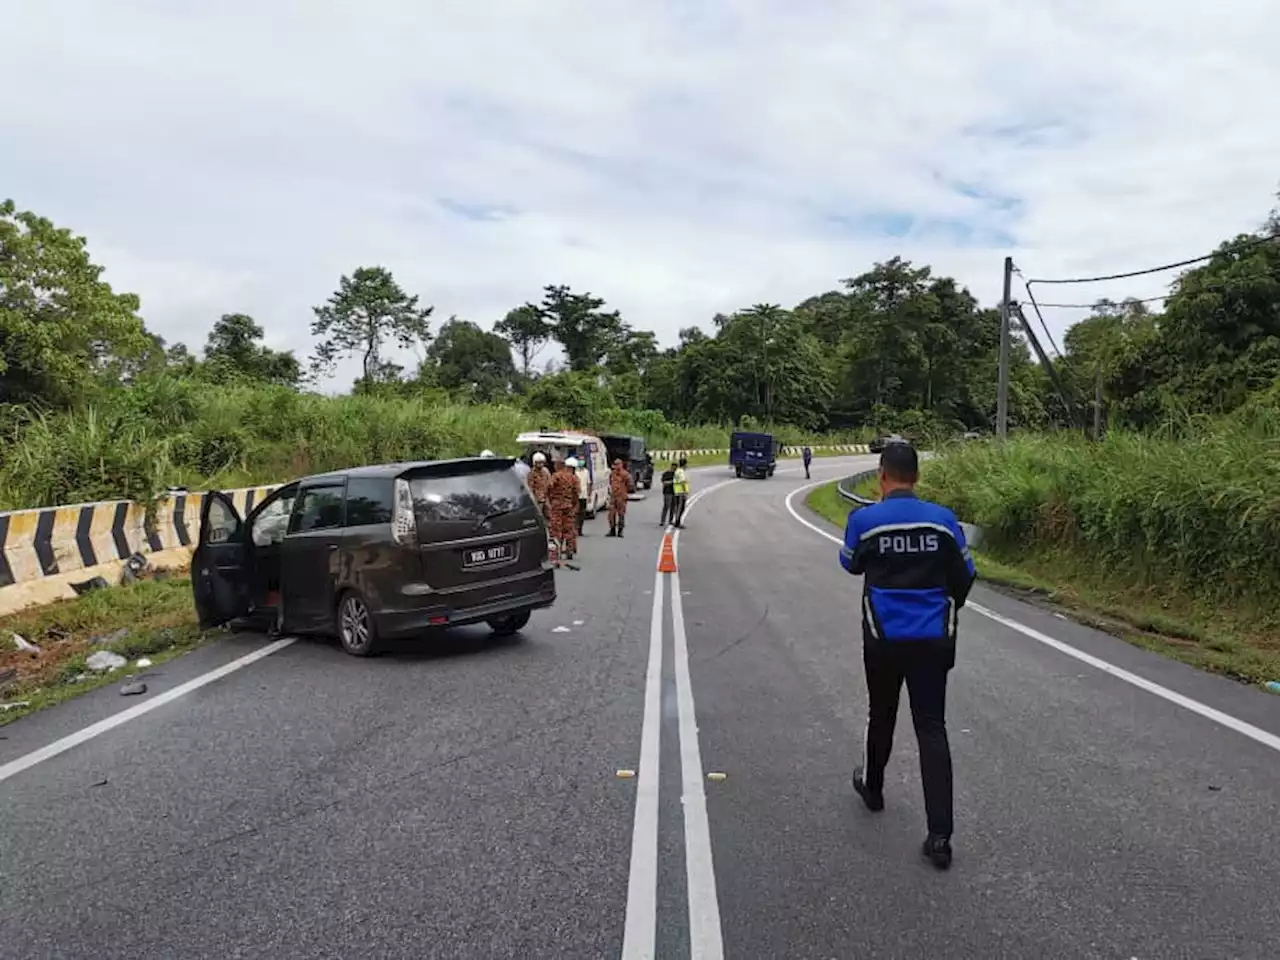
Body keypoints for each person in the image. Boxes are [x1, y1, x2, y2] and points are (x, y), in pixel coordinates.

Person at [839, 442, 975, 870]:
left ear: (882, 476)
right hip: (933, 639)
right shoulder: (943, 521)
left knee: (881, 713)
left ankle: (874, 787)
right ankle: (940, 838)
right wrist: (945, 609)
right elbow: (965, 576)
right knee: (932, 728)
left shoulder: (865, 520)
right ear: (917, 477)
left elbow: (851, 564)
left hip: (883, 637)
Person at [547, 456, 579, 564]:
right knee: (569, 529)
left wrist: (551, 499)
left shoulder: (556, 476)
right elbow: (576, 493)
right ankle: (569, 551)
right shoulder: (574, 478)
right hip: (569, 506)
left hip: (557, 506)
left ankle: (557, 552)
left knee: (556, 529)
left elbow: (549, 486)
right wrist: (573, 504)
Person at [607, 458, 631, 537]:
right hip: (613, 496)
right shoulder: (612, 474)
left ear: (622, 465)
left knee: (621, 514)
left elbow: (630, 485)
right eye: (615, 464)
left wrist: (624, 492)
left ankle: (620, 531)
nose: (617, 466)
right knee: (611, 514)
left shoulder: (625, 474)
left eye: (618, 464)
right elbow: (610, 483)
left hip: (621, 497)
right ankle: (612, 530)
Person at [526, 451, 551, 518]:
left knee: (549, 515)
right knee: (539, 516)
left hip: (546, 497)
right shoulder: (531, 473)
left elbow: (549, 482)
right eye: (539, 463)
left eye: (542, 462)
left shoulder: (546, 471)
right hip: (537, 499)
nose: (541, 464)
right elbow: (530, 487)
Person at [573, 456, 590, 536]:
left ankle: (580, 529)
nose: (581, 462)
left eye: (582, 460)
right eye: (580, 460)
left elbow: (588, 483)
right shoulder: (575, 472)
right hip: (576, 496)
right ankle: (575, 528)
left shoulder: (586, 472)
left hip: (584, 495)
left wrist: (589, 495)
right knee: (576, 513)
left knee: (582, 514)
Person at [670, 456, 689, 528]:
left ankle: (677, 521)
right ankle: (677, 522)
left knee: (678, 507)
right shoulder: (681, 471)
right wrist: (685, 492)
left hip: (677, 491)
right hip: (680, 492)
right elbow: (682, 482)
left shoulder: (677, 471)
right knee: (680, 508)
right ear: (684, 464)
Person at [659, 460, 677, 527]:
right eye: (673, 467)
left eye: (675, 468)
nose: (674, 469)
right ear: (671, 467)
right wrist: (672, 482)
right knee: (666, 506)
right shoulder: (666, 473)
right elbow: (664, 482)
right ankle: (662, 521)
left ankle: (671, 520)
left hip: (675, 492)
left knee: (673, 507)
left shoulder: (676, 474)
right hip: (667, 492)